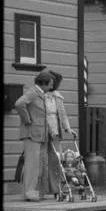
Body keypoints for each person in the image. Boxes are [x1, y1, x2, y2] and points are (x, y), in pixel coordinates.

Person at [14, 71, 53, 201]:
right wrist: (27, 120)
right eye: (50, 84)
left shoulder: (40, 94)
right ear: (44, 83)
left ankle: (36, 192)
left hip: (39, 135)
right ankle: (29, 193)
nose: (52, 87)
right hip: (32, 134)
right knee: (32, 164)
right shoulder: (33, 92)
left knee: (38, 164)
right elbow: (19, 104)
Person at [42, 70, 78, 197]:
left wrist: (68, 128)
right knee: (42, 160)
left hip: (55, 131)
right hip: (42, 130)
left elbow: (63, 115)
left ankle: (56, 188)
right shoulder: (40, 95)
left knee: (56, 160)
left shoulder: (58, 97)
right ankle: (41, 190)